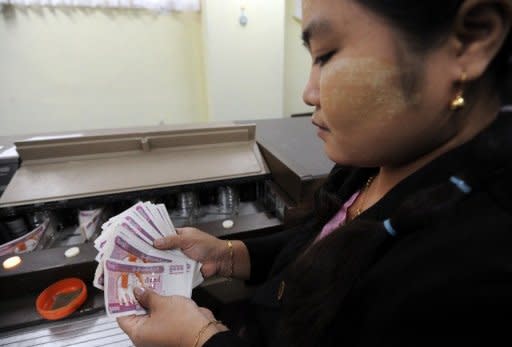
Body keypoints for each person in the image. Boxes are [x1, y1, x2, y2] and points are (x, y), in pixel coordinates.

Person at [118, 0, 512, 346]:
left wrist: (199, 339)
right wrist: (229, 255)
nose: (308, 92)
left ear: (470, 40)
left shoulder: (467, 273)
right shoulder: (372, 164)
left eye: (326, 55)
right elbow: (323, 244)